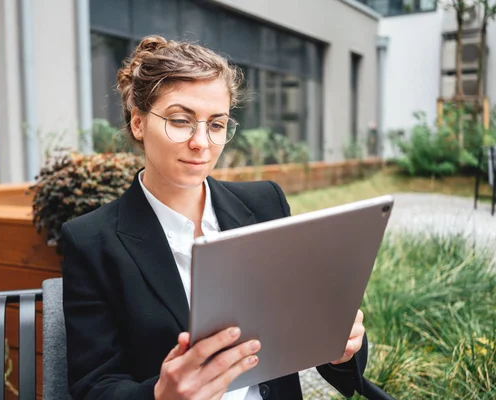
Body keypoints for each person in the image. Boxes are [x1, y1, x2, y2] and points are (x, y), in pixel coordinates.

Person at [61, 35, 368, 400]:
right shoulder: (91, 241)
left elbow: (318, 342)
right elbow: (93, 387)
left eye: (217, 124)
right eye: (180, 121)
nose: (202, 143)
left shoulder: (265, 205)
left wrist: (341, 344)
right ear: (138, 123)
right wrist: (159, 396)